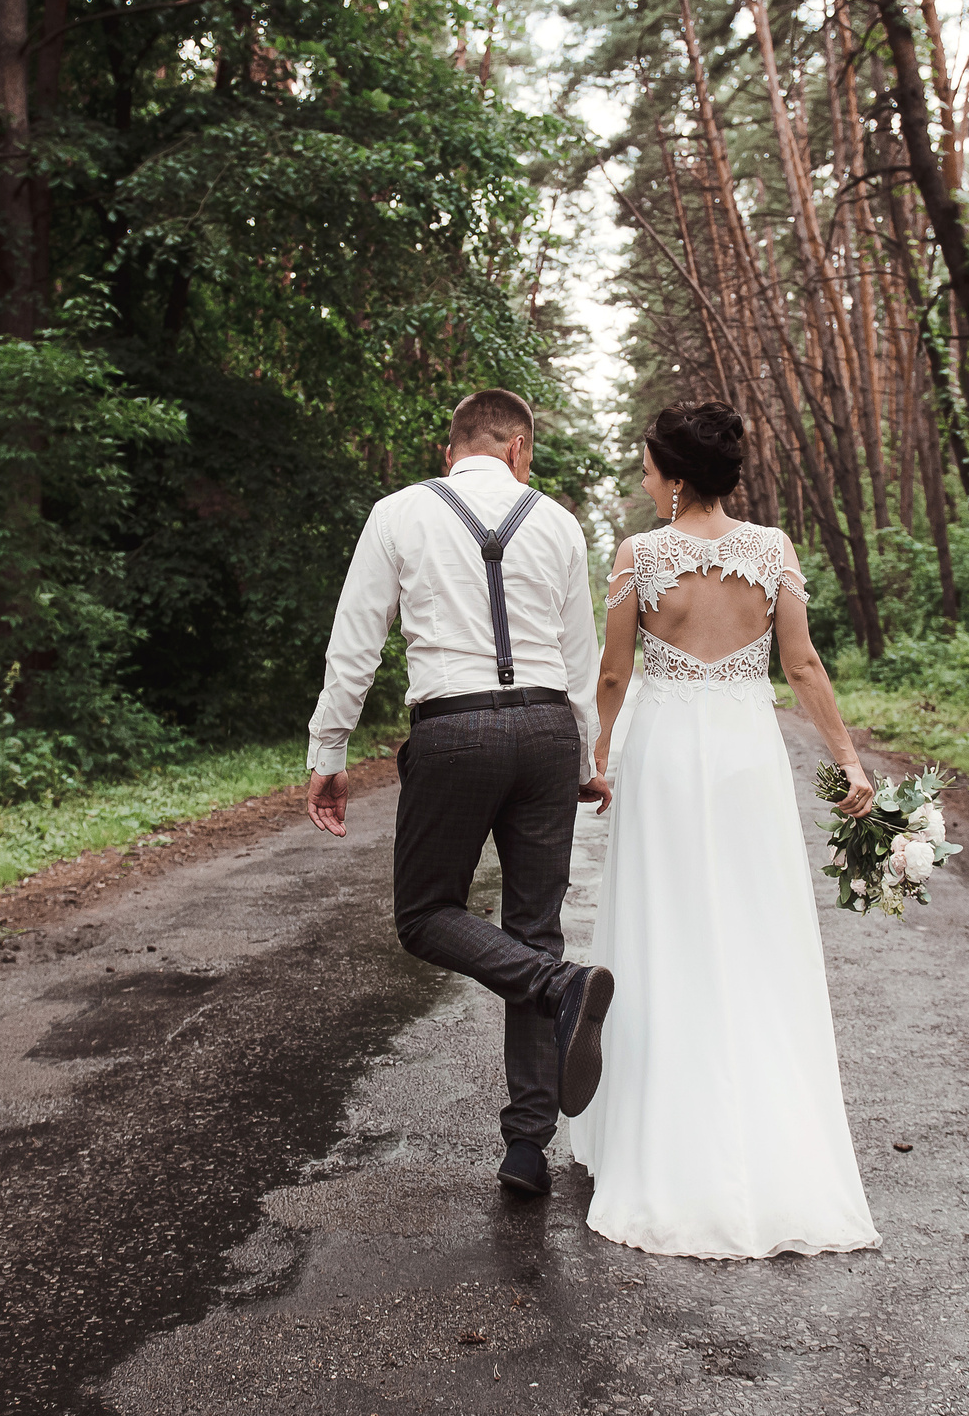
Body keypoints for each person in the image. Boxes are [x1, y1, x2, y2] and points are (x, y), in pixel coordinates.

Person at [571, 401, 881, 1259]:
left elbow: (613, 671)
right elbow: (803, 665)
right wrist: (850, 762)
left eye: (646, 466)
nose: (643, 479)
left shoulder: (642, 555)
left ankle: (661, 1133)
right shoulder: (771, 550)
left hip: (668, 759)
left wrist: (599, 753)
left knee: (665, 933)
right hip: (746, 759)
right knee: (755, 933)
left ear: (673, 476)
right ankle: (774, 1135)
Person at [305, 388, 615, 1200]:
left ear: (454, 450)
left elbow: (356, 637)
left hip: (455, 730)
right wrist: (583, 754)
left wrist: (328, 749)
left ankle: (557, 988)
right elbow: (578, 655)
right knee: (533, 929)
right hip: (548, 730)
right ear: (518, 447)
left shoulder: (400, 511)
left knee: (423, 914)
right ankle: (526, 1150)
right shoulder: (557, 520)